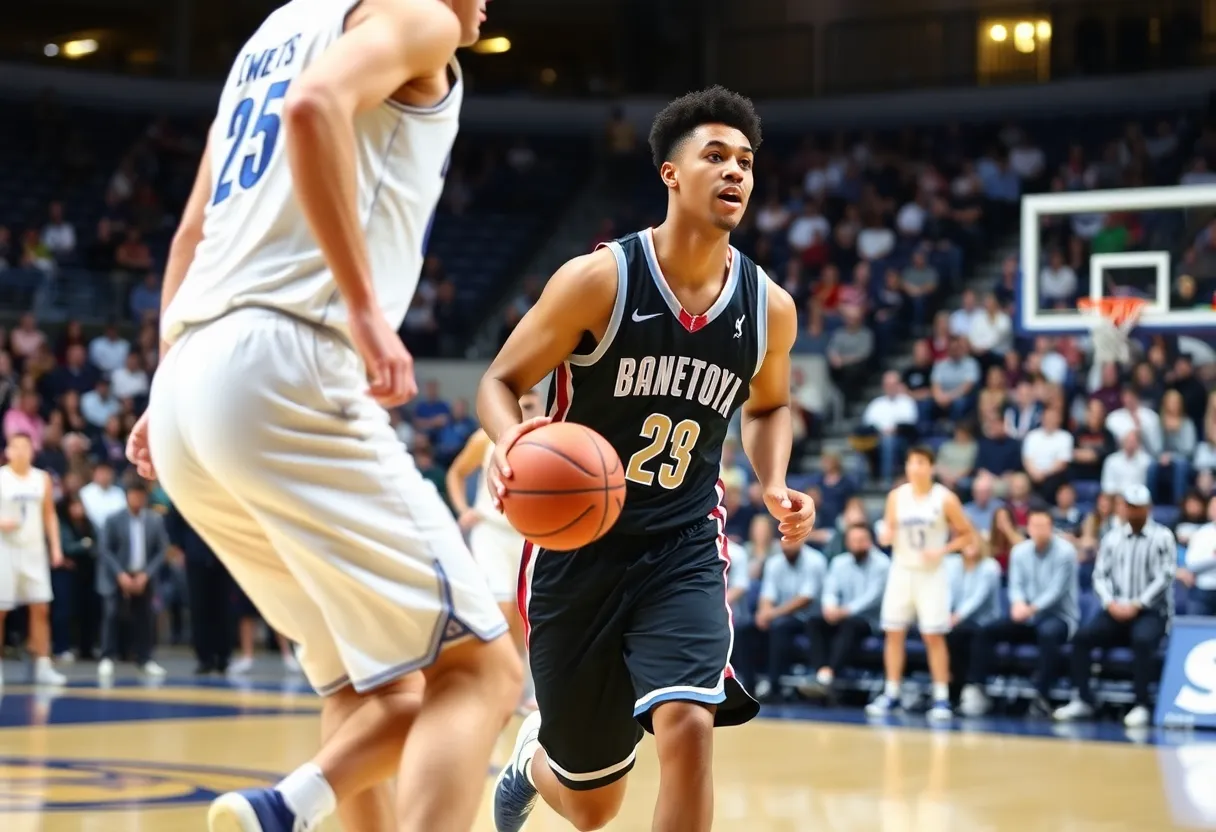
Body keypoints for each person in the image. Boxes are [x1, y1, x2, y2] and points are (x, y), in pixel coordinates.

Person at [124, 0, 522, 829]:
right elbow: (314, 107)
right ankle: (285, 807)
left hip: (193, 375)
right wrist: (365, 309)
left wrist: (164, 384)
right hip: (288, 358)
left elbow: (191, 232)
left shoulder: (270, 35)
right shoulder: (421, 16)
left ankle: (289, 807)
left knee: (368, 682)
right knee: (481, 672)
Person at [478, 86, 816, 832]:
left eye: (746, 161)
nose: (735, 172)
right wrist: (511, 441)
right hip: (578, 551)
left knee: (690, 727)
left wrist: (774, 481)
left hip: (682, 544)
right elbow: (500, 381)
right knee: (592, 807)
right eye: (715, 156)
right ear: (670, 173)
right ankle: (534, 762)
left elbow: (767, 406)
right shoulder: (599, 280)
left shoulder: (770, 307)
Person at [446, 389, 545, 712]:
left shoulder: (552, 436)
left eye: (530, 404)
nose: (525, 410)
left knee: (529, 614)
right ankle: (497, 685)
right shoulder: (484, 438)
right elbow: (456, 473)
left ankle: (526, 687)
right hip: (490, 533)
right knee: (502, 609)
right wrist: (463, 510)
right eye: (520, 404)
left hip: (530, 536)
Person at [1054, 484, 1176, 728]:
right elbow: (1100, 575)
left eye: (1139, 507)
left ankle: (1141, 704)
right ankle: (1083, 699)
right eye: (1131, 507)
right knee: (1082, 638)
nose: (1134, 512)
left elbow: (1165, 576)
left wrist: (1138, 604)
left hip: (1151, 611)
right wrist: (1110, 603)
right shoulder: (1112, 537)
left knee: (1142, 640)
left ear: (1148, 508)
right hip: (1116, 608)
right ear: (1124, 508)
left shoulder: (1163, 537)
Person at [868, 446, 975, 721]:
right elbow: (888, 530)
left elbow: (967, 535)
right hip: (901, 571)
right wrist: (885, 536)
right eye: (910, 463)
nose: (914, 468)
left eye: (920, 462)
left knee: (933, 635)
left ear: (931, 467)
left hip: (932, 574)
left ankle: (941, 697)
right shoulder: (896, 496)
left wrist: (942, 550)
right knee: (893, 632)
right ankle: (891, 692)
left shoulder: (945, 498)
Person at [958, 509, 1078, 717]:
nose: (1039, 530)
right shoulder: (1020, 552)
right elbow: (1016, 585)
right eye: (1035, 526)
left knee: (1048, 633)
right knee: (986, 631)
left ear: (1051, 528)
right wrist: (1017, 603)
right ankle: (977, 689)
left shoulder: (1066, 552)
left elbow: (1056, 591)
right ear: (1028, 528)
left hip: (1059, 616)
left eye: (1043, 526)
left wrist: (1030, 608)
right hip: (1026, 615)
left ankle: (1042, 696)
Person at [0, 432, 66, 687]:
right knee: (1, 610)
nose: (20, 451)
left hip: (34, 551)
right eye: (15, 446)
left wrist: (56, 547)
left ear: (32, 451)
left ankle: (43, 666)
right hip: (5, 550)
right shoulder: (2, 477)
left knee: (41, 608)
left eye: (25, 447)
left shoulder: (42, 478)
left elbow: (50, 514)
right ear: (7, 451)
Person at [97, 480, 168, 680]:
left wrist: (146, 574)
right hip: (117, 575)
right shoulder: (113, 519)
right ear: (127, 496)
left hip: (143, 575)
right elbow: (105, 549)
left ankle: (145, 659)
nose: (137, 499)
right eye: (133, 495)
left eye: (140, 495)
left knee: (145, 617)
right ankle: (107, 656)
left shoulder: (154, 520)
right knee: (111, 614)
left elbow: (161, 550)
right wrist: (120, 574)